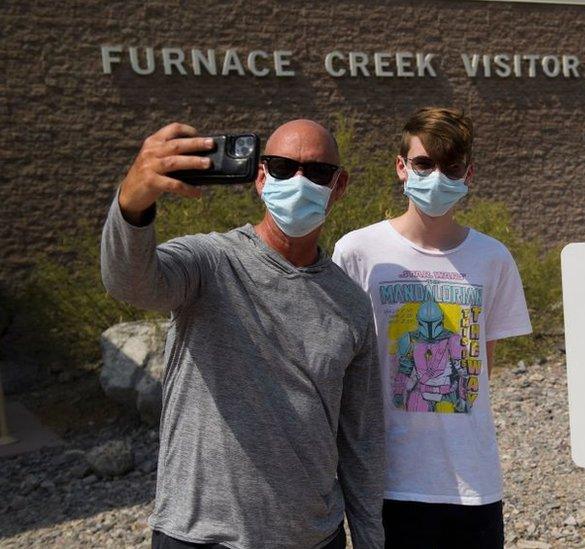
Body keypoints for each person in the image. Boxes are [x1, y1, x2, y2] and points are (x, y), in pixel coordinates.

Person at [100, 120, 384, 549]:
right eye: (283, 168)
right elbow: (131, 282)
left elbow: (360, 440)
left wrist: (369, 538)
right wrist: (133, 202)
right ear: (260, 176)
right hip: (197, 536)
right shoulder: (210, 263)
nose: (299, 181)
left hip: (312, 537)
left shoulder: (351, 303)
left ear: (339, 185)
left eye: (317, 172)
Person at [332, 107, 532, 548]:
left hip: (472, 483)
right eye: (424, 163)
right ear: (402, 167)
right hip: (387, 481)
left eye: (451, 166)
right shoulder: (358, 252)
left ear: (468, 173)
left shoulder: (492, 257)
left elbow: (484, 365)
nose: (437, 176)